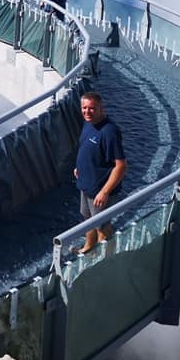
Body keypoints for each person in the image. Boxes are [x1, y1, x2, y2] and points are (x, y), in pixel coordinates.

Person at [74, 92, 127, 254]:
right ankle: (89, 249)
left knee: (102, 226)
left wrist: (104, 192)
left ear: (101, 108)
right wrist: (79, 167)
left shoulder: (109, 131)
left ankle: (105, 260)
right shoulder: (88, 123)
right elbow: (88, 149)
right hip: (86, 184)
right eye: (84, 108)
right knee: (87, 219)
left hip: (100, 191)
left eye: (92, 108)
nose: (87, 112)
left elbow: (121, 166)